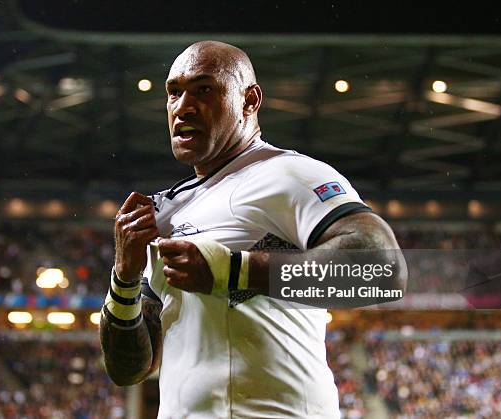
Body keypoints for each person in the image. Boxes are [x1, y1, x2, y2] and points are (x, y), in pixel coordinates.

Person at [100, 41, 407, 418]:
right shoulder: (166, 211)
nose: (183, 106)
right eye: (174, 92)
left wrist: (233, 271)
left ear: (249, 100)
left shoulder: (288, 174)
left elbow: (382, 269)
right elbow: (128, 369)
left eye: (204, 90)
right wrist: (124, 277)